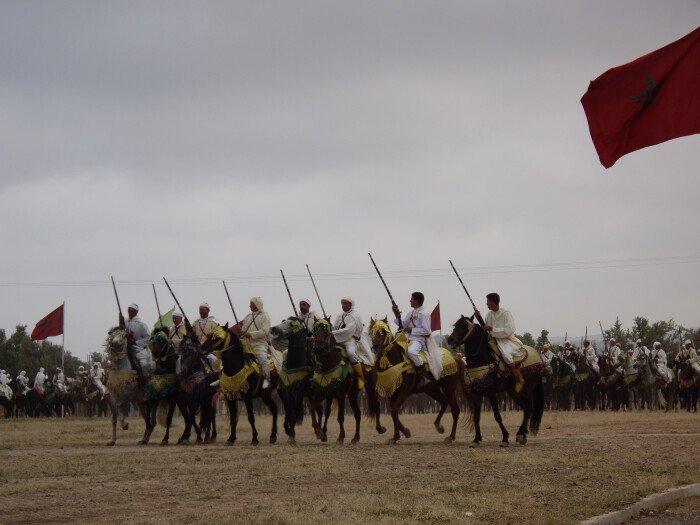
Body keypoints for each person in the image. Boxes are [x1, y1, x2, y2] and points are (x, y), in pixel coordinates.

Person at [476, 293, 525, 394]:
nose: (486, 304)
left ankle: (519, 379)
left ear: (493, 302)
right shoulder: (489, 315)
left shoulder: (506, 313)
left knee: (506, 355)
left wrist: (493, 329)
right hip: (492, 339)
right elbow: (486, 328)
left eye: (488, 301)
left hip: (506, 340)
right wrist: (479, 318)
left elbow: (510, 330)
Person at [392, 292, 434, 380]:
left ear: (416, 300)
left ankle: (424, 375)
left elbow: (427, 331)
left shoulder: (423, 313)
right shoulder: (411, 313)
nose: (410, 301)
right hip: (407, 338)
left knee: (411, 352)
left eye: (411, 299)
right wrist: (396, 314)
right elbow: (402, 325)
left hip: (418, 340)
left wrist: (412, 330)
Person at [332, 297, 366, 389]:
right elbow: (335, 327)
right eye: (342, 303)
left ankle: (360, 377)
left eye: (346, 303)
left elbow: (348, 331)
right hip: (338, 339)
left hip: (350, 340)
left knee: (350, 353)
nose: (343, 305)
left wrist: (332, 334)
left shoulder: (355, 316)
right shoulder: (340, 316)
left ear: (351, 305)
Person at [241, 297, 272, 389]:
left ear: (256, 304)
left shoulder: (264, 316)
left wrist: (250, 334)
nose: (249, 305)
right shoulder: (247, 317)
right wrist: (242, 332)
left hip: (260, 344)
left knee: (263, 359)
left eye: (251, 303)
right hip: (247, 345)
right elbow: (243, 330)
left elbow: (264, 331)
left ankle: (267, 379)